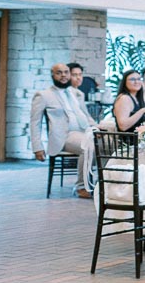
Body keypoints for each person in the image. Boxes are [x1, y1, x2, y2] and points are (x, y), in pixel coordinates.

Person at [30, 62, 97, 198]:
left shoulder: (77, 93)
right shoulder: (43, 95)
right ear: (52, 75)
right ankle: (81, 187)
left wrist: (96, 128)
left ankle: (104, 184)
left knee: (109, 145)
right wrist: (37, 147)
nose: (63, 75)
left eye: (66, 72)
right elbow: (34, 122)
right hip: (64, 136)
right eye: (59, 73)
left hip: (84, 132)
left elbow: (86, 115)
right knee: (89, 146)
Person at [112, 69, 145, 133]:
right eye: (132, 79)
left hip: (138, 140)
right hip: (127, 141)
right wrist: (142, 111)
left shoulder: (137, 98)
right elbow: (123, 126)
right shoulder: (124, 98)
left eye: (139, 79)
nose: (136, 82)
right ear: (125, 82)